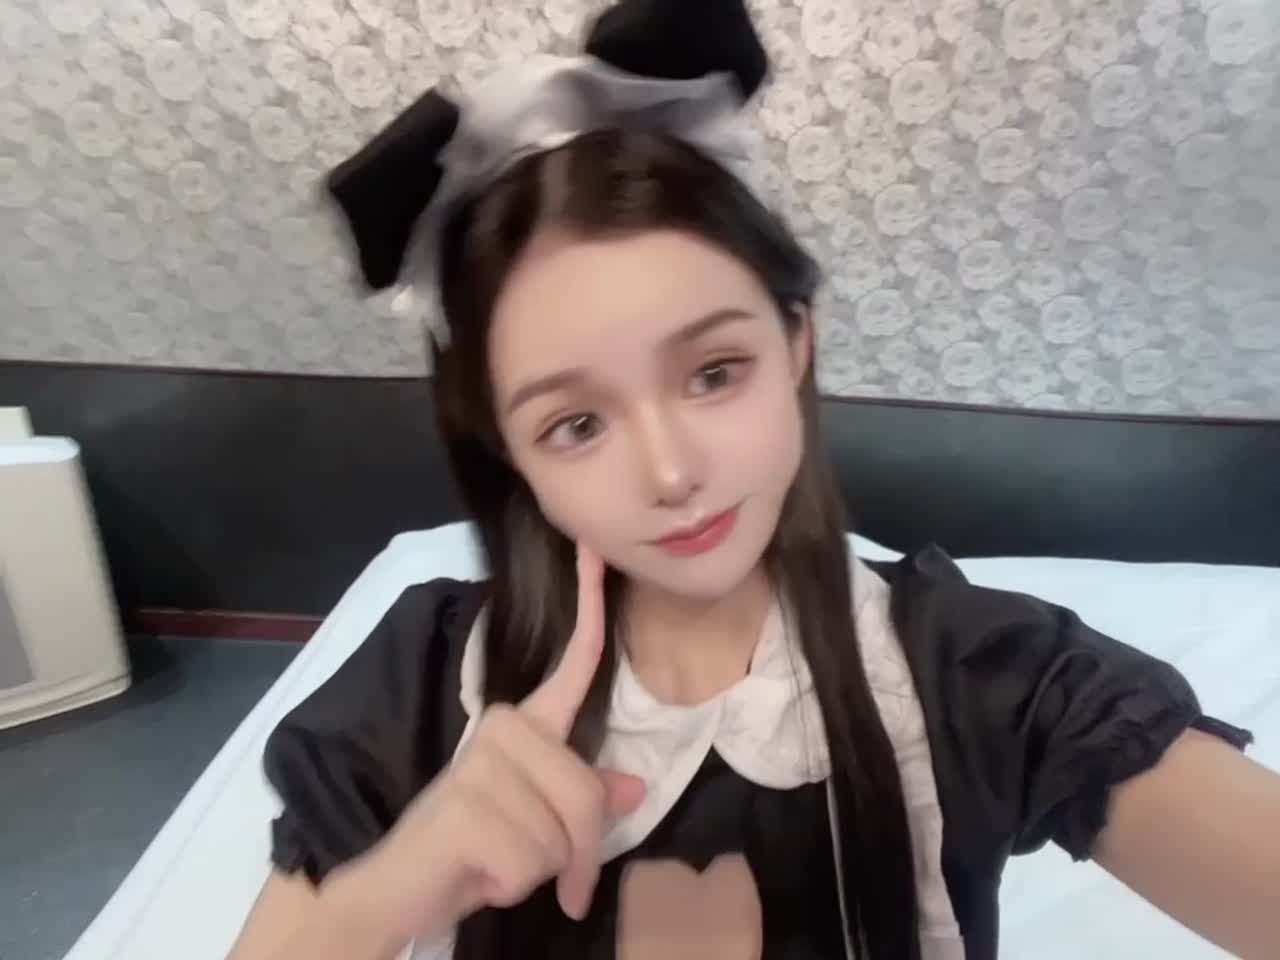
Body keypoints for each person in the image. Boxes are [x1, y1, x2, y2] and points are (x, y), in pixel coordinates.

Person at [228, 2, 1280, 959]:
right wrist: (390, 892)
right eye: (577, 424)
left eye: (714, 373)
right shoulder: (418, 690)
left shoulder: (978, 676)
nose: (672, 472)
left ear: (795, 344)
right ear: (507, 450)